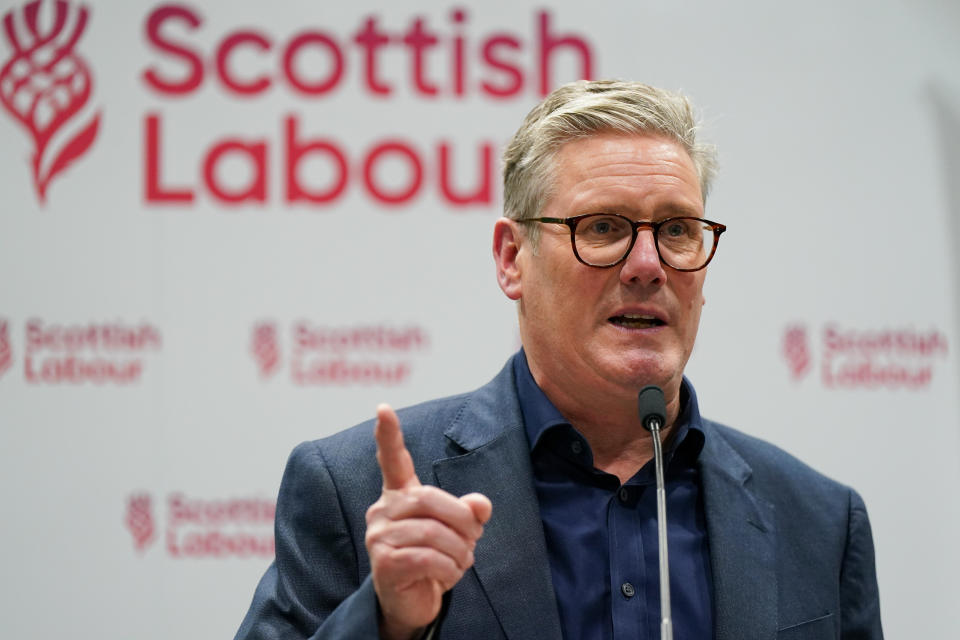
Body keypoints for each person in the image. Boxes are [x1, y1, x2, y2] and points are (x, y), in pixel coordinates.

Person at [234, 80, 883, 640]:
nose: (649, 266)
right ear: (512, 259)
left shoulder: (820, 522)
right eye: (603, 227)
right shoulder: (355, 490)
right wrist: (387, 623)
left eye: (678, 230)